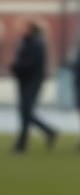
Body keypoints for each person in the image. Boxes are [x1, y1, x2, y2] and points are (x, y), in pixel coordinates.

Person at [10, 20, 58, 153]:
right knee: (24, 112)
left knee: (26, 112)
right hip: (23, 81)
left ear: (30, 29)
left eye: (23, 27)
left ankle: (44, 132)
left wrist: (15, 65)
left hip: (32, 82)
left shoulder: (37, 44)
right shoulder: (23, 43)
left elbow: (31, 64)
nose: (19, 29)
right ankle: (25, 142)